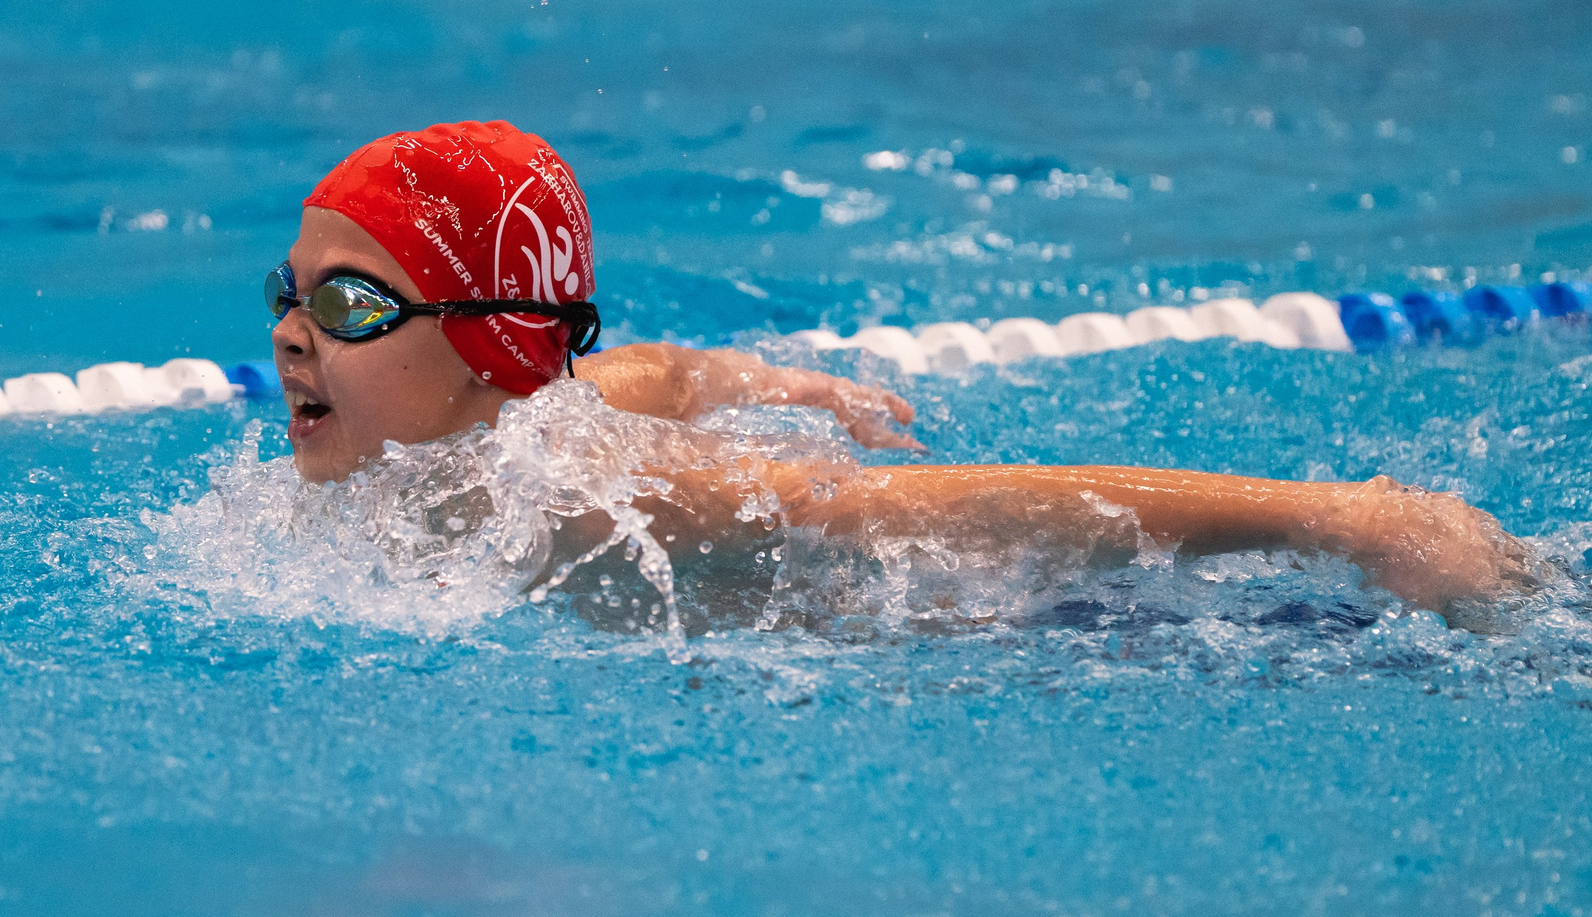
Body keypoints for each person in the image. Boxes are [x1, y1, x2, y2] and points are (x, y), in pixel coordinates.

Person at [265, 119, 1537, 618]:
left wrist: (1343, 517)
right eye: (290, 293)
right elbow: (642, 369)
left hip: (1022, 634)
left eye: (350, 301)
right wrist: (766, 376)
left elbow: (941, 505)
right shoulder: (529, 415)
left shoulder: (597, 498)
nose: (291, 333)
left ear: (488, 351)